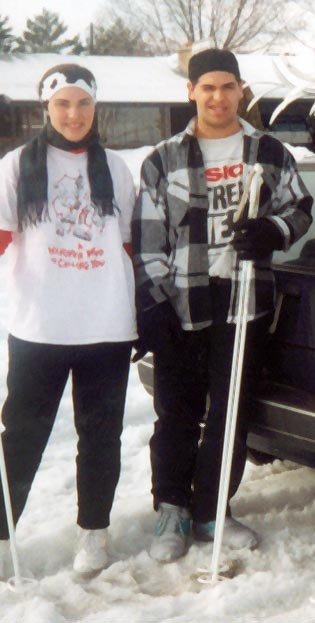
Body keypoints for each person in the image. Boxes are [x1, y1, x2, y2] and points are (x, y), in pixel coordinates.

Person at [132, 49, 312, 563]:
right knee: (177, 412)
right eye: (207, 87)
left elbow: (300, 209)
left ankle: (213, 510)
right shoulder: (163, 158)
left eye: (227, 86)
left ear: (240, 90)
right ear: (191, 91)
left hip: (244, 298)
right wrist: (156, 305)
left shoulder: (269, 152)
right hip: (182, 300)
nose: (217, 97)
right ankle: (172, 509)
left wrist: (273, 231)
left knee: (232, 410)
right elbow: (149, 240)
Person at [0, 64, 136, 575]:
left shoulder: (116, 170)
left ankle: (93, 534)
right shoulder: (17, 166)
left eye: (83, 104)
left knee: (101, 434)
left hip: (105, 326)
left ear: (95, 108)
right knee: (21, 436)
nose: (73, 114)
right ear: (47, 108)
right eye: (63, 104)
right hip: (40, 326)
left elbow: (126, 247)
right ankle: (1, 534)